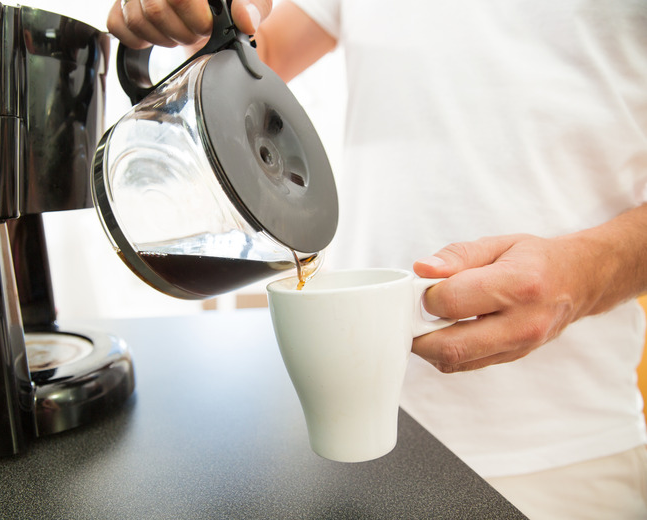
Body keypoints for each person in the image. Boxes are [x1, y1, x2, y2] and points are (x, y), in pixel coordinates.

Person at [108, 1, 647, 517]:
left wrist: (586, 273)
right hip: (352, 457)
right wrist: (193, 20)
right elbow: (253, 59)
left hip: (568, 453)